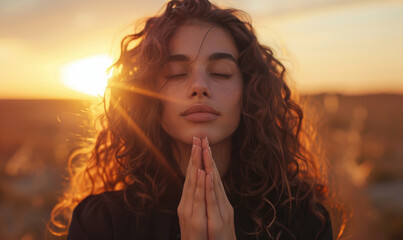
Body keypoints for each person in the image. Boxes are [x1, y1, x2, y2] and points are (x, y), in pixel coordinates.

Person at [50, 0, 338, 239]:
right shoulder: (103, 223)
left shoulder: (301, 220)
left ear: (249, 91)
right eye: (176, 73)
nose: (199, 86)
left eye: (221, 72)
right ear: (149, 97)